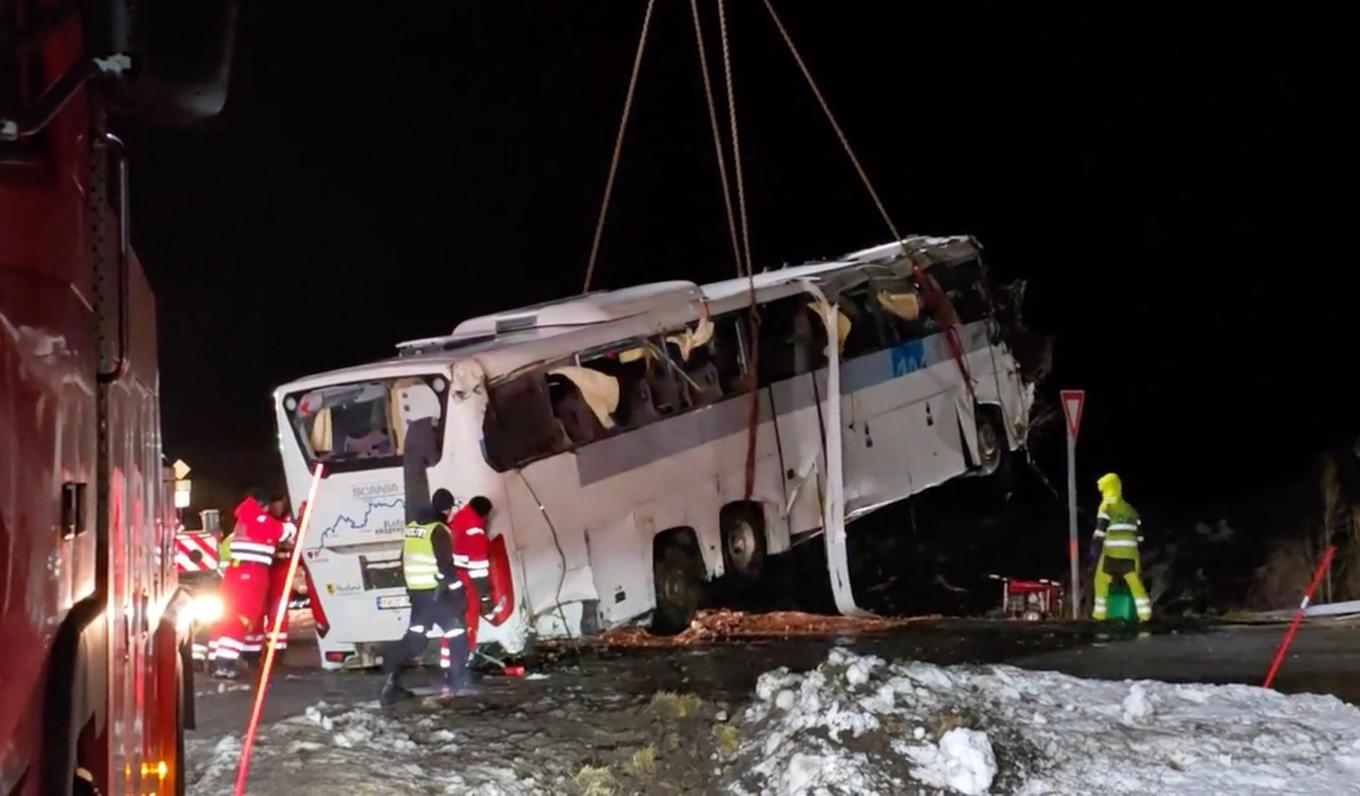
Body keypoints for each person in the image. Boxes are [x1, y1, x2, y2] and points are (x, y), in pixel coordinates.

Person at [380, 490, 491, 706]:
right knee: (458, 635)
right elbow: (445, 567)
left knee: (416, 642)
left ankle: (390, 677)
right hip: (437, 595)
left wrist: (412, 590)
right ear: (448, 509)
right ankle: (455, 684)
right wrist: (458, 593)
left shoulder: (412, 528)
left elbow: (404, 559)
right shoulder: (439, 530)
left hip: (419, 596)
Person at [210, 489, 294, 678]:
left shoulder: (246, 516)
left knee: (240, 615)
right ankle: (223, 664)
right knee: (241, 617)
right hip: (250, 573)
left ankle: (224, 658)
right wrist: (295, 525)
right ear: (263, 505)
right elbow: (278, 531)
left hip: (242, 572)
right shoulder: (257, 517)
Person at [1090, 473, 1152, 622]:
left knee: (1101, 581)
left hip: (1111, 554)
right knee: (1136, 584)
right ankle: (1145, 615)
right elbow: (1141, 538)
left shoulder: (1106, 506)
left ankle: (1099, 616)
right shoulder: (1131, 510)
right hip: (1131, 555)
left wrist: (1092, 555)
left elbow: (1099, 534)